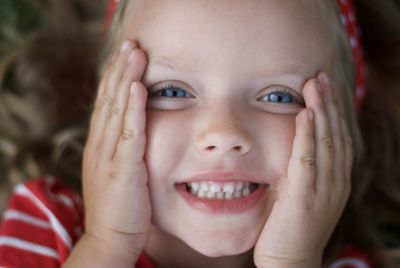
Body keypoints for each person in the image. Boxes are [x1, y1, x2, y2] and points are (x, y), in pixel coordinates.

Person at [1, 0, 400, 267]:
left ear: (342, 130)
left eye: (279, 95)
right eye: (172, 92)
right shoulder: (51, 227)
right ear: (107, 107)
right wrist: (108, 243)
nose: (224, 132)